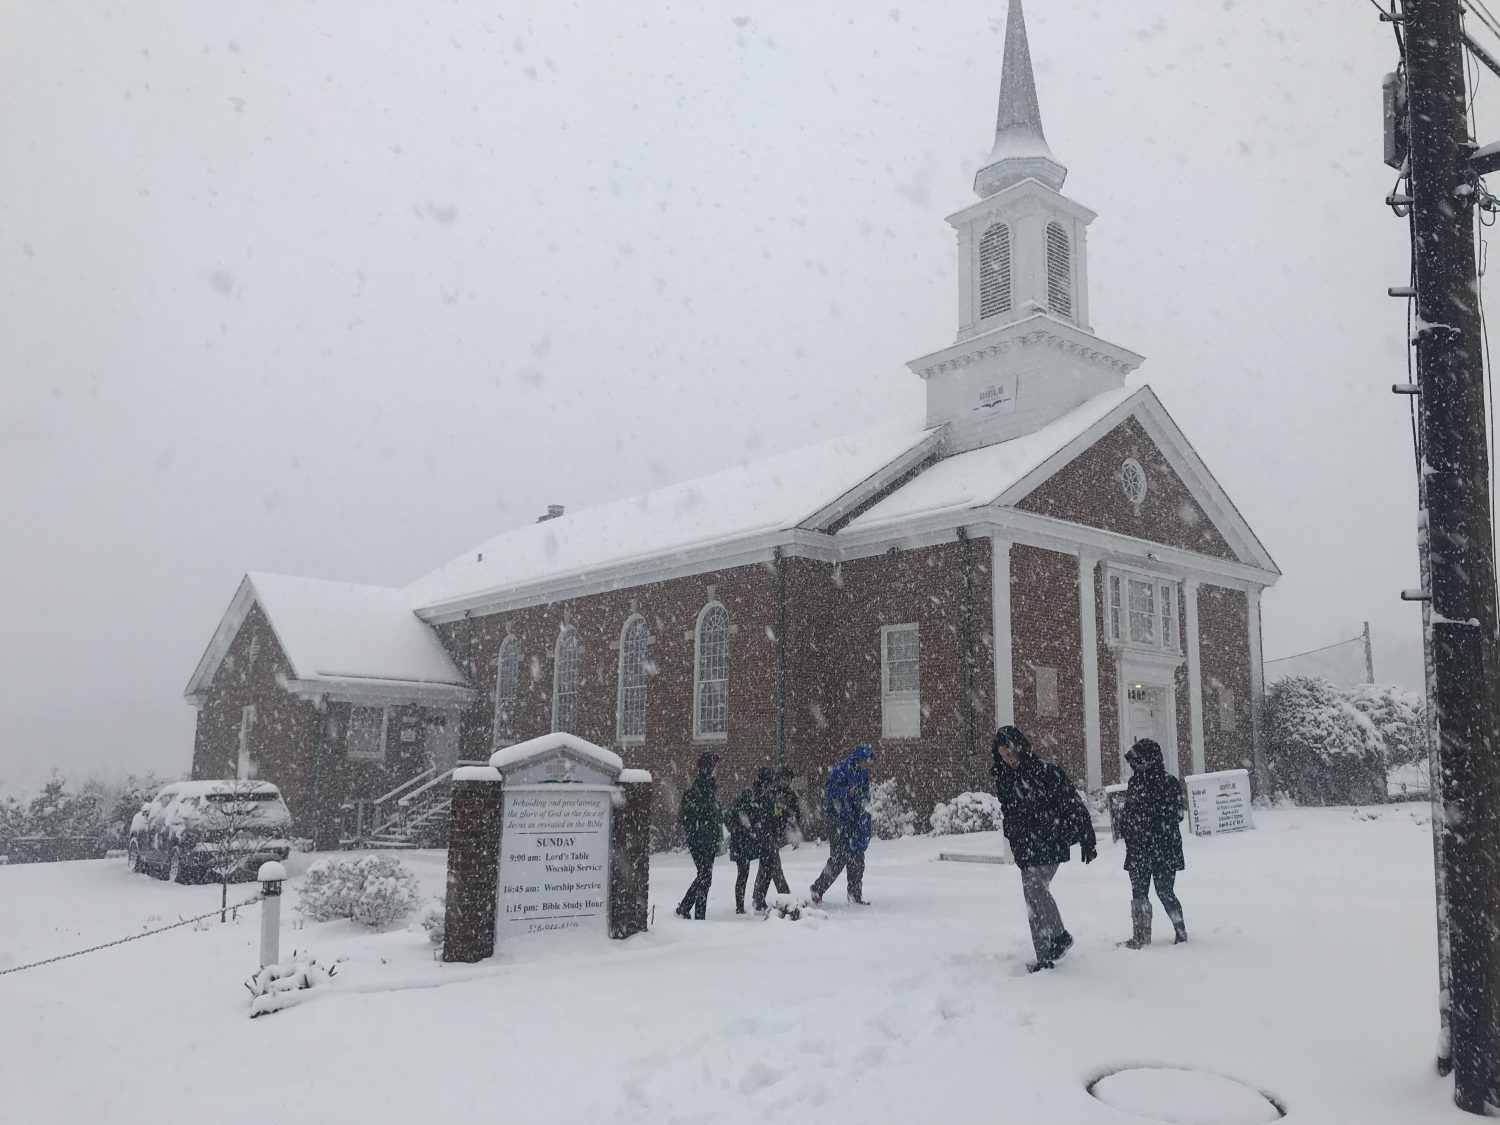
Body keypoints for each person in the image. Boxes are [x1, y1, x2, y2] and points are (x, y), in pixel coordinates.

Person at [990, 725, 1097, 971]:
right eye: (1004, 756)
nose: (1009, 759)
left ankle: (1060, 936)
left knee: (1035, 889)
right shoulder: (1004, 778)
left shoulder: (1046, 771)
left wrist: (1087, 837)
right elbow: (1010, 813)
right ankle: (1044, 957)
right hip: (1025, 846)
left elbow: (1072, 802)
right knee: (1032, 900)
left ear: (1020, 748)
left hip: (1050, 840)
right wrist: (1012, 837)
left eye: (1012, 753)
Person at [1118, 738, 1188, 948]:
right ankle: (1140, 936)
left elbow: (1177, 814)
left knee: (1164, 891)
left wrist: (1149, 821)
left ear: (1150, 759)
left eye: (1138, 761)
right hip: (1139, 847)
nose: (1135, 766)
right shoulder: (1135, 783)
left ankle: (1180, 932)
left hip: (1163, 848)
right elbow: (1129, 811)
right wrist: (1127, 826)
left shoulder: (1169, 782)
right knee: (1139, 893)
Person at [810, 745, 875, 906]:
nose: (867, 765)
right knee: (839, 858)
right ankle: (817, 889)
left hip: (854, 819)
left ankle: (854, 895)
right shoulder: (842, 768)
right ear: (860, 758)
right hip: (837, 819)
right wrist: (847, 792)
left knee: (857, 857)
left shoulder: (863, 774)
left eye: (869, 763)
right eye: (866, 761)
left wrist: (863, 797)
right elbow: (830, 790)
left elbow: (865, 793)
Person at [725, 767, 780, 913]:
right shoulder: (748, 794)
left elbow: (773, 816)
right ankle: (739, 908)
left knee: (768, 865)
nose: (770, 786)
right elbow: (735, 814)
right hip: (742, 840)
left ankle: (759, 900)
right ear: (763, 782)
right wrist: (746, 828)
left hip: (758, 839)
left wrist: (775, 827)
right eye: (769, 783)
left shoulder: (769, 796)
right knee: (743, 873)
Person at [675, 752, 723, 920]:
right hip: (699, 840)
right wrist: (700, 826)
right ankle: (699, 916)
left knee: (705, 876)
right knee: (705, 876)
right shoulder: (695, 789)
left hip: (709, 840)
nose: (717, 770)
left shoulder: (711, 787)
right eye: (715, 767)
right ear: (707, 768)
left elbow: (715, 813)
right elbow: (683, 816)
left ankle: (685, 907)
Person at [760, 766, 802, 897]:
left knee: (766, 866)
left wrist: (790, 822)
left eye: (788, 779)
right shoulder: (772, 792)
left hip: (777, 833)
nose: (785, 781)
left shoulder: (791, 795)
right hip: (767, 831)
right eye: (783, 778)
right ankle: (785, 894)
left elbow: (796, 814)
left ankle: (758, 897)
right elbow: (766, 812)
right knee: (774, 864)